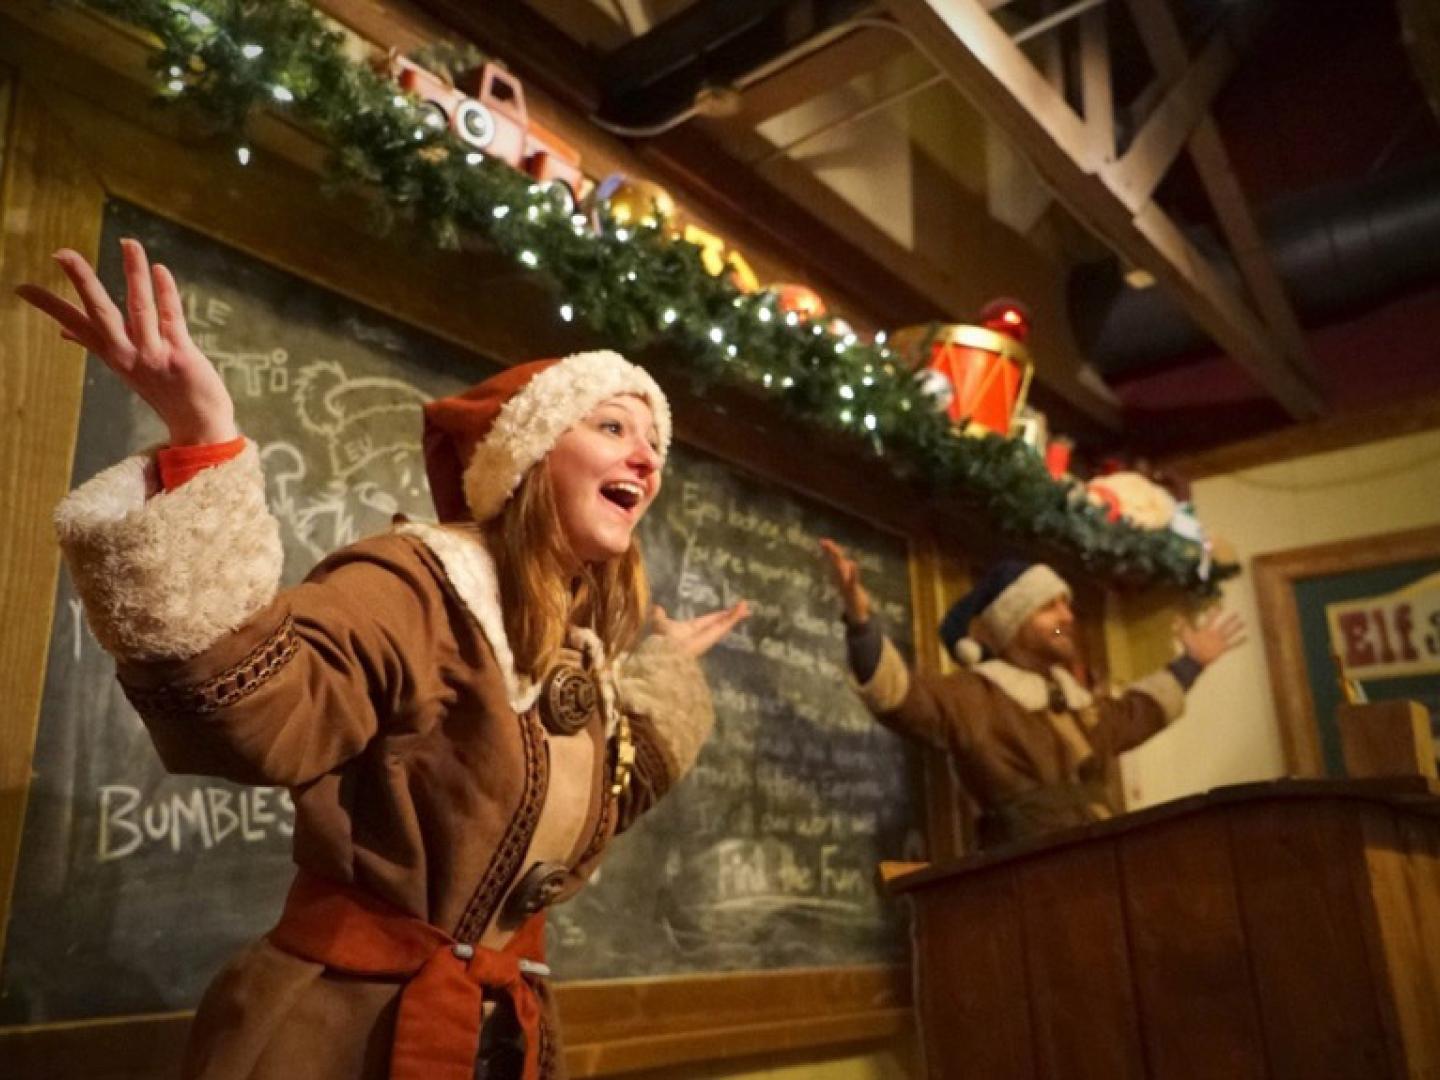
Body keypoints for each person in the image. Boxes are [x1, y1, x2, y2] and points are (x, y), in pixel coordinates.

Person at [19, 239, 748, 1080]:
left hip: (495, 1037)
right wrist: (200, 445)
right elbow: (253, 716)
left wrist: (671, 666)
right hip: (339, 1037)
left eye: (654, 441)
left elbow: (605, 793)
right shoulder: (420, 581)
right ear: (528, 455)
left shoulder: (569, 648)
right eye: (613, 426)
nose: (646, 458)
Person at [819, 540, 1243, 848]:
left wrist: (1191, 664)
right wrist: (860, 622)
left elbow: (1135, 714)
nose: (1066, 617)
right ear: (1013, 624)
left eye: (1066, 605)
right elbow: (903, 697)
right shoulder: (976, 696)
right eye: (1049, 609)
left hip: (1106, 863)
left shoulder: (1078, 701)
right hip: (1030, 879)